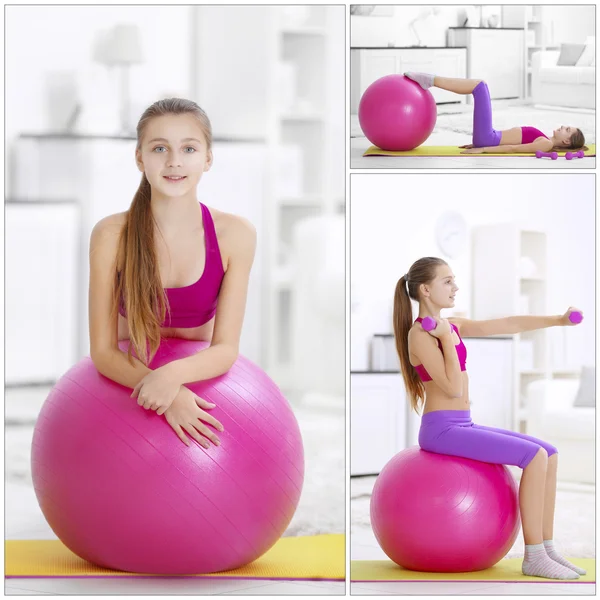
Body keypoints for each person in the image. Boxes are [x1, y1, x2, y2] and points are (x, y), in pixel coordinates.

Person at [393, 256, 586, 580]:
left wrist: (557, 320)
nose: (455, 287)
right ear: (425, 290)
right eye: (447, 281)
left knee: (549, 454)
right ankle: (533, 555)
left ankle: (548, 548)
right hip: (441, 430)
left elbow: (506, 323)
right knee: (533, 457)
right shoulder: (420, 336)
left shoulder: (450, 325)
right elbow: (453, 388)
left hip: (462, 423)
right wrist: (447, 340)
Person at [88, 98, 256, 448]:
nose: (174, 161)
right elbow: (103, 351)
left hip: (196, 373)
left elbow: (225, 348)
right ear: (139, 158)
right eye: (159, 148)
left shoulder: (236, 234)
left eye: (189, 148)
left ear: (208, 158)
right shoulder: (110, 235)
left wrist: (172, 379)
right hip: (128, 370)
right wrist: (170, 396)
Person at [404, 73, 587, 155]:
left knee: (480, 86)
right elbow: (511, 142)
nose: (563, 126)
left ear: (566, 141)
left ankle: (431, 80)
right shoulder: (545, 139)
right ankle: (431, 80)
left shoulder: (546, 144)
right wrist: (478, 142)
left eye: (567, 129)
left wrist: (483, 148)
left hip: (488, 139)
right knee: (480, 87)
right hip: (487, 137)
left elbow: (513, 149)